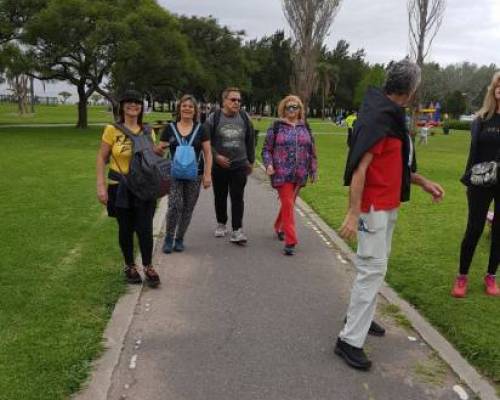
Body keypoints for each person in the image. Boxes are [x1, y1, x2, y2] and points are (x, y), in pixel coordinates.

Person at [335, 60, 445, 370]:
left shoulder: (391, 116)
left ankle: (361, 316)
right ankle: (348, 340)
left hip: (388, 205)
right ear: (410, 90)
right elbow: (360, 167)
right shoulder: (379, 118)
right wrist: (352, 212)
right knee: (372, 269)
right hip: (372, 208)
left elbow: (400, 165)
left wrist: (423, 183)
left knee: (374, 270)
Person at [96, 89, 160, 287]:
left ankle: (148, 265)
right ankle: (129, 265)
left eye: (137, 102)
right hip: (120, 186)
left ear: (142, 107)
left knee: (145, 228)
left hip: (144, 187)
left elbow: (151, 160)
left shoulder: (148, 131)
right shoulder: (112, 130)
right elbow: (102, 158)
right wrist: (100, 186)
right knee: (125, 228)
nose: (134, 105)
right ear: (122, 106)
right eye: (129, 102)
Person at [452, 71, 500, 298]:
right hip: (480, 182)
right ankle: (462, 276)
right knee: (474, 229)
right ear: (493, 90)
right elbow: (474, 153)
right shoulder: (482, 119)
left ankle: (491, 276)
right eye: (497, 85)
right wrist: (468, 178)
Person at [261, 95, 317, 255]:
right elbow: (266, 149)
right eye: (288, 107)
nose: (292, 110)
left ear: (300, 109)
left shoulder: (305, 126)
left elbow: (312, 150)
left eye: (295, 107)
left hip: (300, 173)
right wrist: (269, 164)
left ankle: (278, 226)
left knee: (289, 203)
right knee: (288, 202)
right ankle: (291, 240)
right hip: (281, 173)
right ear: (283, 109)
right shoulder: (277, 126)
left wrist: (313, 169)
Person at [158, 95, 213, 254]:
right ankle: (169, 237)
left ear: (195, 110)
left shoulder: (201, 129)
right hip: (174, 174)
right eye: (184, 106)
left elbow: (208, 153)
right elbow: (160, 148)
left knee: (188, 207)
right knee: (175, 205)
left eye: (190, 106)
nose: (187, 108)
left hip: (195, 174)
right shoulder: (170, 128)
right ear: (179, 109)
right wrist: (160, 148)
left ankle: (179, 238)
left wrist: (208, 175)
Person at [204, 87, 255, 244]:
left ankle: (237, 230)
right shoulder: (214, 118)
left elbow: (250, 140)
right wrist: (216, 156)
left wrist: (251, 161)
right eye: (233, 99)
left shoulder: (245, 118)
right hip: (219, 166)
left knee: (237, 197)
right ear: (224, 101)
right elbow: (205, 141)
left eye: (239, 100)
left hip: (239, 165)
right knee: (220, 196)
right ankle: (221, 223)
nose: (237, 103)